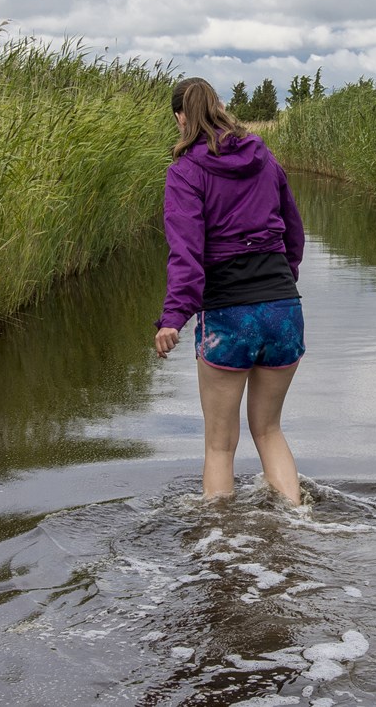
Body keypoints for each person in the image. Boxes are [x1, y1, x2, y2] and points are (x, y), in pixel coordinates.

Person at [153, 77, 308, 506]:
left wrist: (173, 317)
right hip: (282, 308)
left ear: (181, 118)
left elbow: (185, 253)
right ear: (220, 108)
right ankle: (299, 521)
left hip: (228, 314)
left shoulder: (185, 172)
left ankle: (220, 538)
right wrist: (282, 284)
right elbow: (293, 231)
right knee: (269, 430)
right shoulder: (263, 156)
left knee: (220, 446)